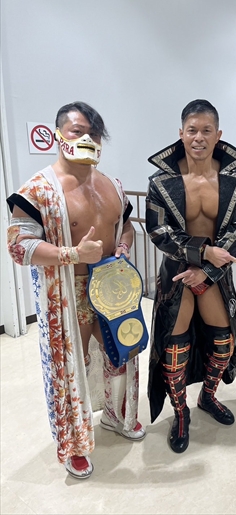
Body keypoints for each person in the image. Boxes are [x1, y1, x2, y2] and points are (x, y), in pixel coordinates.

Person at [6, 101, 145, 480]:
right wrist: (72, 254)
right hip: (68, 292)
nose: (87, 139)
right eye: (77, 131)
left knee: (121, 352)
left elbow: (126, 226)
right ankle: (75, 445)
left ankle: (116, 415)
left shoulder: (113, 185)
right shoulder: (37, 190)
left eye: (94, 134)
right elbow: (18, 246)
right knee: (73, 366)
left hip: (112, 285)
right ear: (58, 135)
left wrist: (123, 245)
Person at [145, 99, 236, 453]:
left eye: (207, 130)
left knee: (224, 342)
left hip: (214, 274)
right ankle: (181, 413)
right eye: (192, 130)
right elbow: (157, 230)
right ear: (181, 133)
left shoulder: (235, 180)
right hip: (177, 274)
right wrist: (202, 253)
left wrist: (206, 268)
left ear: (218, 135)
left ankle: (208, 395)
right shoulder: (161, 181)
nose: (199, 137)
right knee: (173, 347)